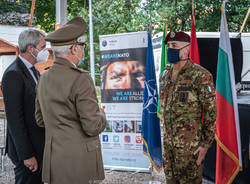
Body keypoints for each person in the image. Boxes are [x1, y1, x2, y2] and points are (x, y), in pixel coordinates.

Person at [35, 17, 107, 184]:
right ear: (74, 49)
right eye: (82, 46)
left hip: (54, 161)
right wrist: (102, 115)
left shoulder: (43, 78)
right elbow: (92, 126)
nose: (83, 50)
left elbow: (40, 120)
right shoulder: (81, 79)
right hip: (78, 162)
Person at [159, 31, 217, 184]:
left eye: (174, 46)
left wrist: (205, 145)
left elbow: (211, 112)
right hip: (168, 147)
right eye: (168, 46)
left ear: (186, 49)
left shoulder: (200, 75)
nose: (170, 49)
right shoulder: (165, 74)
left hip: (189, 149)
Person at [1, 29, 48, 184]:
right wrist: (27, 154)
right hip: (27, 150)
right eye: (43, 47)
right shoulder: (13, 74)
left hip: (38, 144)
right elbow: (15, 119)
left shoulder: (34, 71)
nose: (45, 51)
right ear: (30, 48)